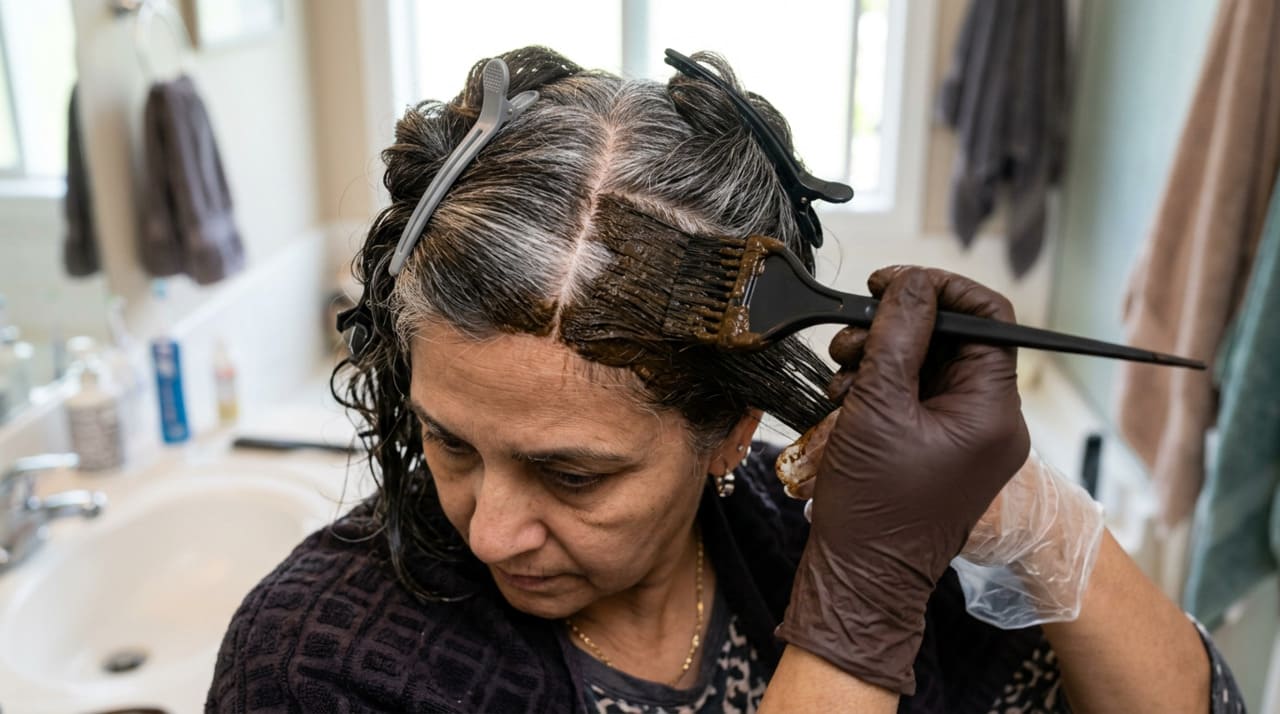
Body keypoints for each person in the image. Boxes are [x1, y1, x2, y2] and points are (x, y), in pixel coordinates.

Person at [206, 47, 1242, 713]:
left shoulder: (793, 534)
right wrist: (857, 606)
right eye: (452, 443)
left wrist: (1025, 511)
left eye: (572, 477)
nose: (489, 531)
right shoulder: (313, 662)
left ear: (730, 430)